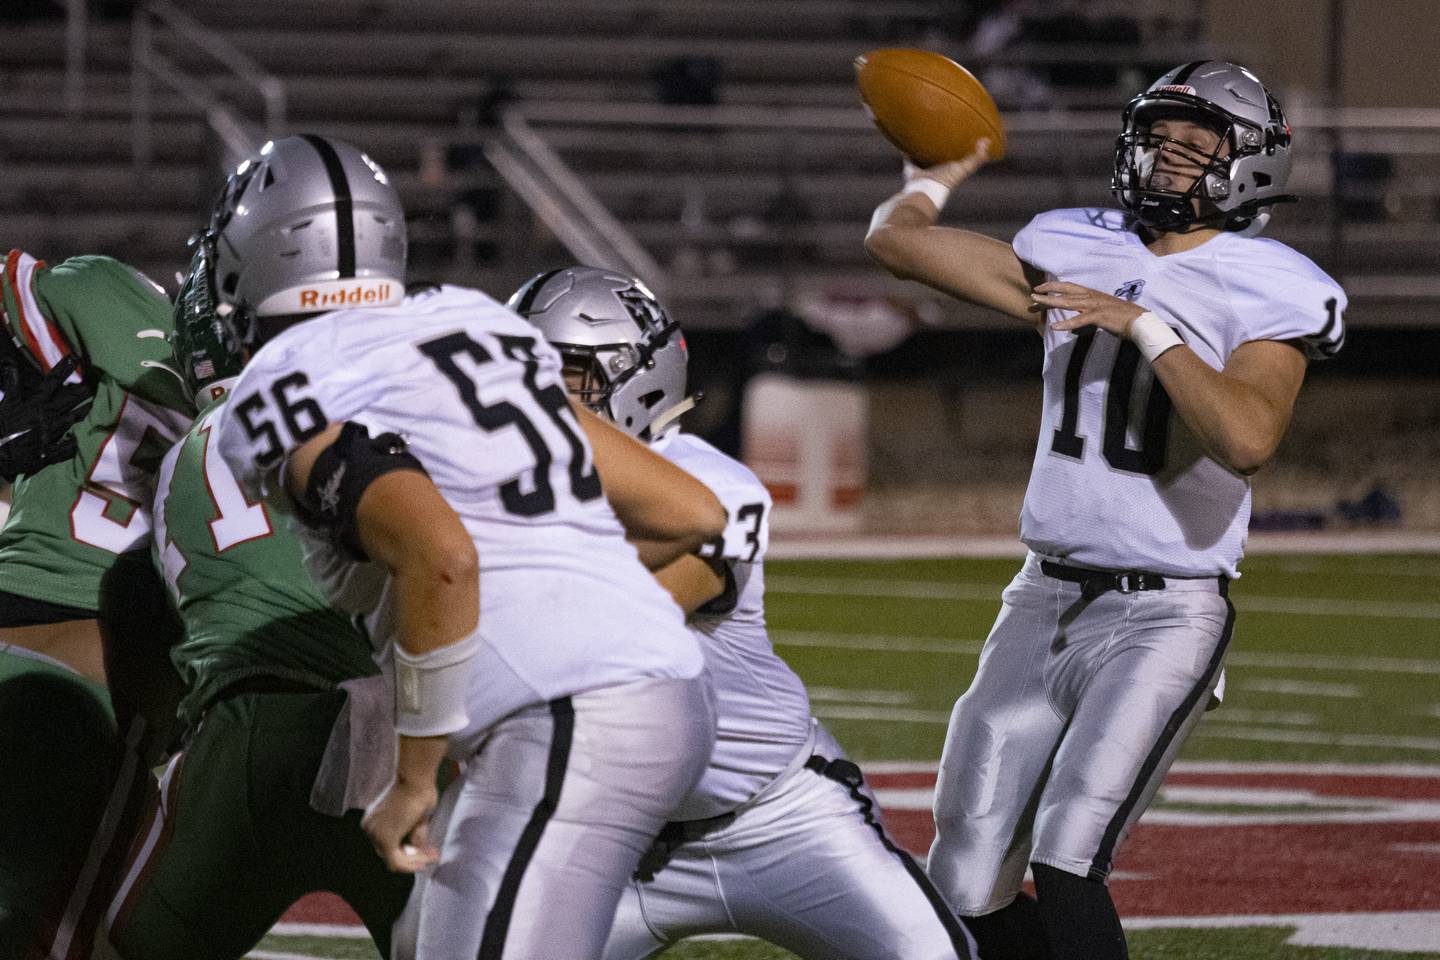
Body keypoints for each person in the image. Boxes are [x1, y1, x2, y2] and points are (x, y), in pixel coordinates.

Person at [203, 133, 727, 959]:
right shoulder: (470, 322)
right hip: (662, 697)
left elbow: (440, 557)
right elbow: (692, 511)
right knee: (430, 942)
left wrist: (413, 777)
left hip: (571, 715)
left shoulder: (280, 385)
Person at [864, 61, 1345, 960]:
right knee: (965, 876)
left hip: (1166, 608)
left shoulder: (1272, 281)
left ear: (1250, 164)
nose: (1168, 159)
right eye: (1157, 138)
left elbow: (1246, 437)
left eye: (1195, 144)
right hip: (1039, 600)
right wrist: (938, 167)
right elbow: (899, 243)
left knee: (1071, 852)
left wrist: (1143, 324)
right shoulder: (1076, 241)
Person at [513, 265, 976, 960]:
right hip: (608, 839)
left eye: (565, 378)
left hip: (778, 818)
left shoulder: (708, 480)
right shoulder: (498, 495)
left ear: (635, 375)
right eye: (520, 372)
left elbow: (617, 617)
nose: (533, 398)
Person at [104, 242, 413, 959]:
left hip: (235, 735)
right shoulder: (355, 418)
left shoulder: (179, 457)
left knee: (133, 946)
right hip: (371, 722)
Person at [0, 248, 192, 959]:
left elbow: (16, 277)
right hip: (137, 687)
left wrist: (51, 359)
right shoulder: (289, 414)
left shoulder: (114, 295)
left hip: (35, 611)